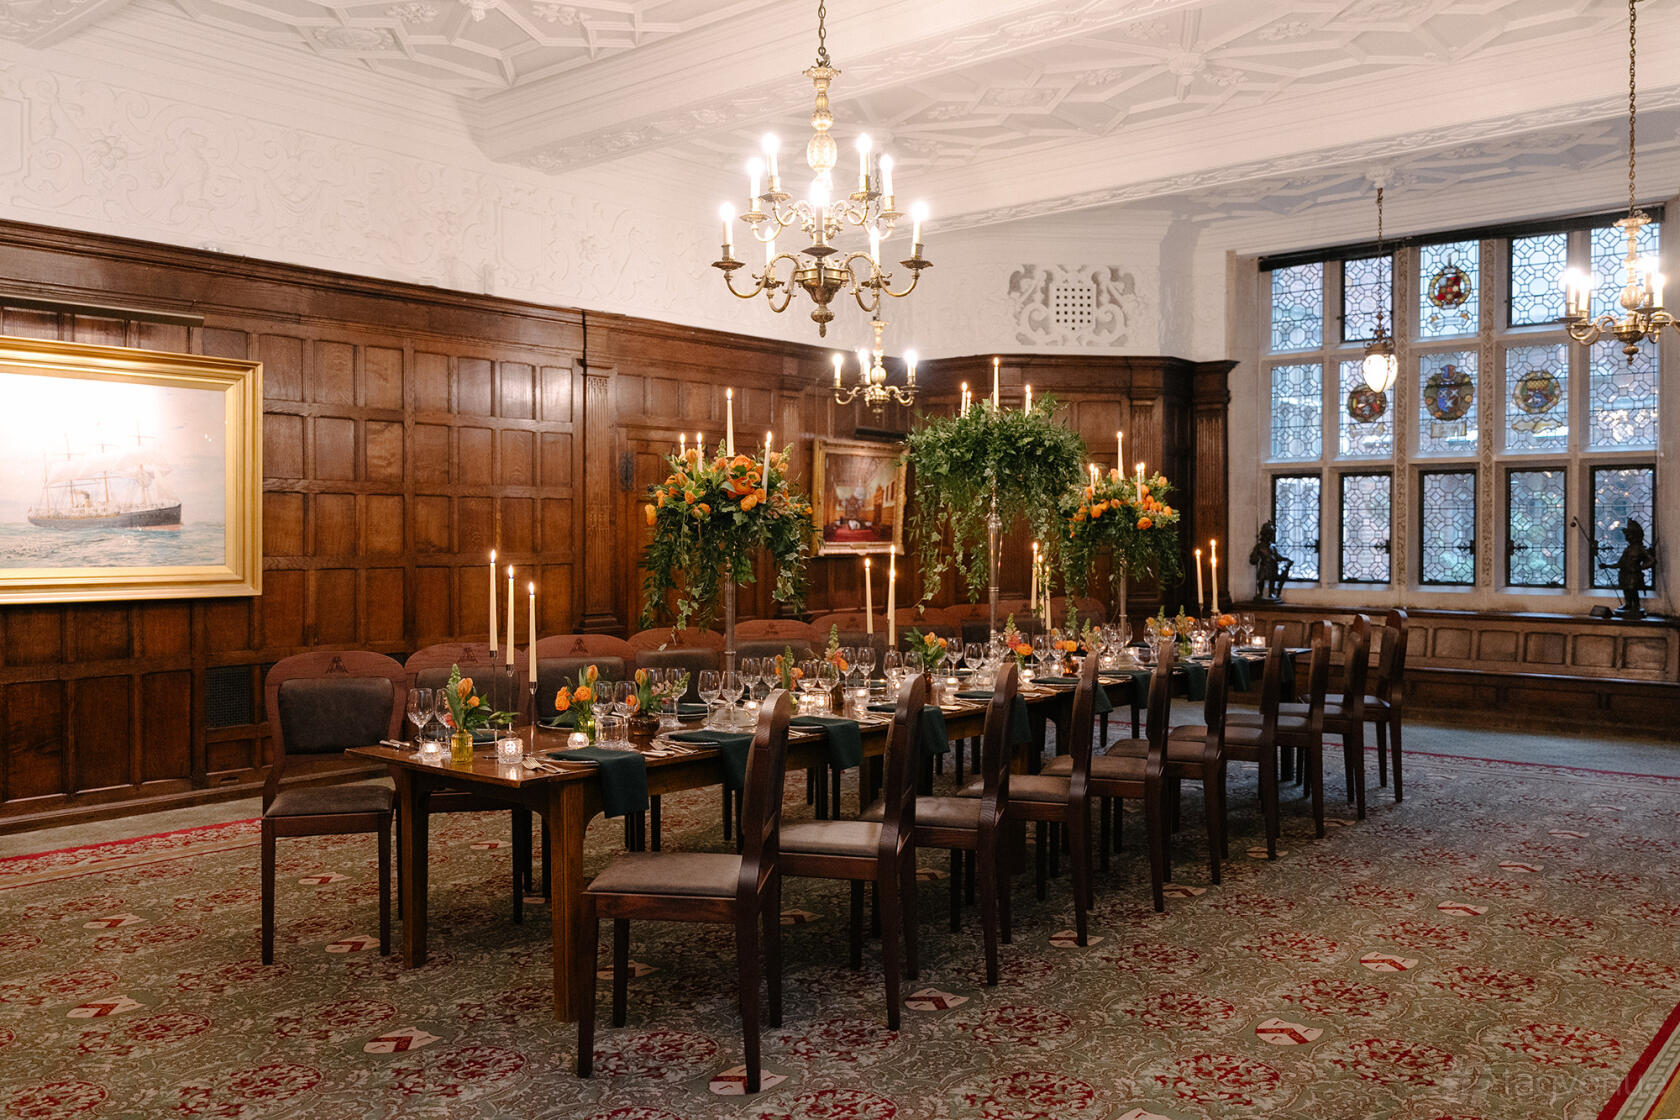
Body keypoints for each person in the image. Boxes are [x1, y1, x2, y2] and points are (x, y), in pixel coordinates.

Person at [1601, 519, 1657, 616]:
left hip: (1633, 575)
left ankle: (1636, 606)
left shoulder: (1641, 549)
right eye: (1627, 535)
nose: (1627, 537)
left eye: (1629, 535)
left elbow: (1652, 561)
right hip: (1624, 574)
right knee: (1626, 590)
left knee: (1632, 590)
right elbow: (1620, 563)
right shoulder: (1628, 549)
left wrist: (1640, 567)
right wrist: (1607, 565)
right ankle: (1628, 604)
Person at [1249, 519, 1293, 601]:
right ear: (1264, 534)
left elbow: (1277, 556)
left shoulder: (1273, 546)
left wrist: (1286, 559)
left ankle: (1271, 593)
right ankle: (1260, 593)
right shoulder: (1259, 546)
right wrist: (1255, 558)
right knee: (1261, 579)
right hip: (1264, 566)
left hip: (1273, 566)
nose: (1270, 536)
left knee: (1272, 580)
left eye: (1271, 534)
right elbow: (1253, 558)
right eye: (1268, 534)